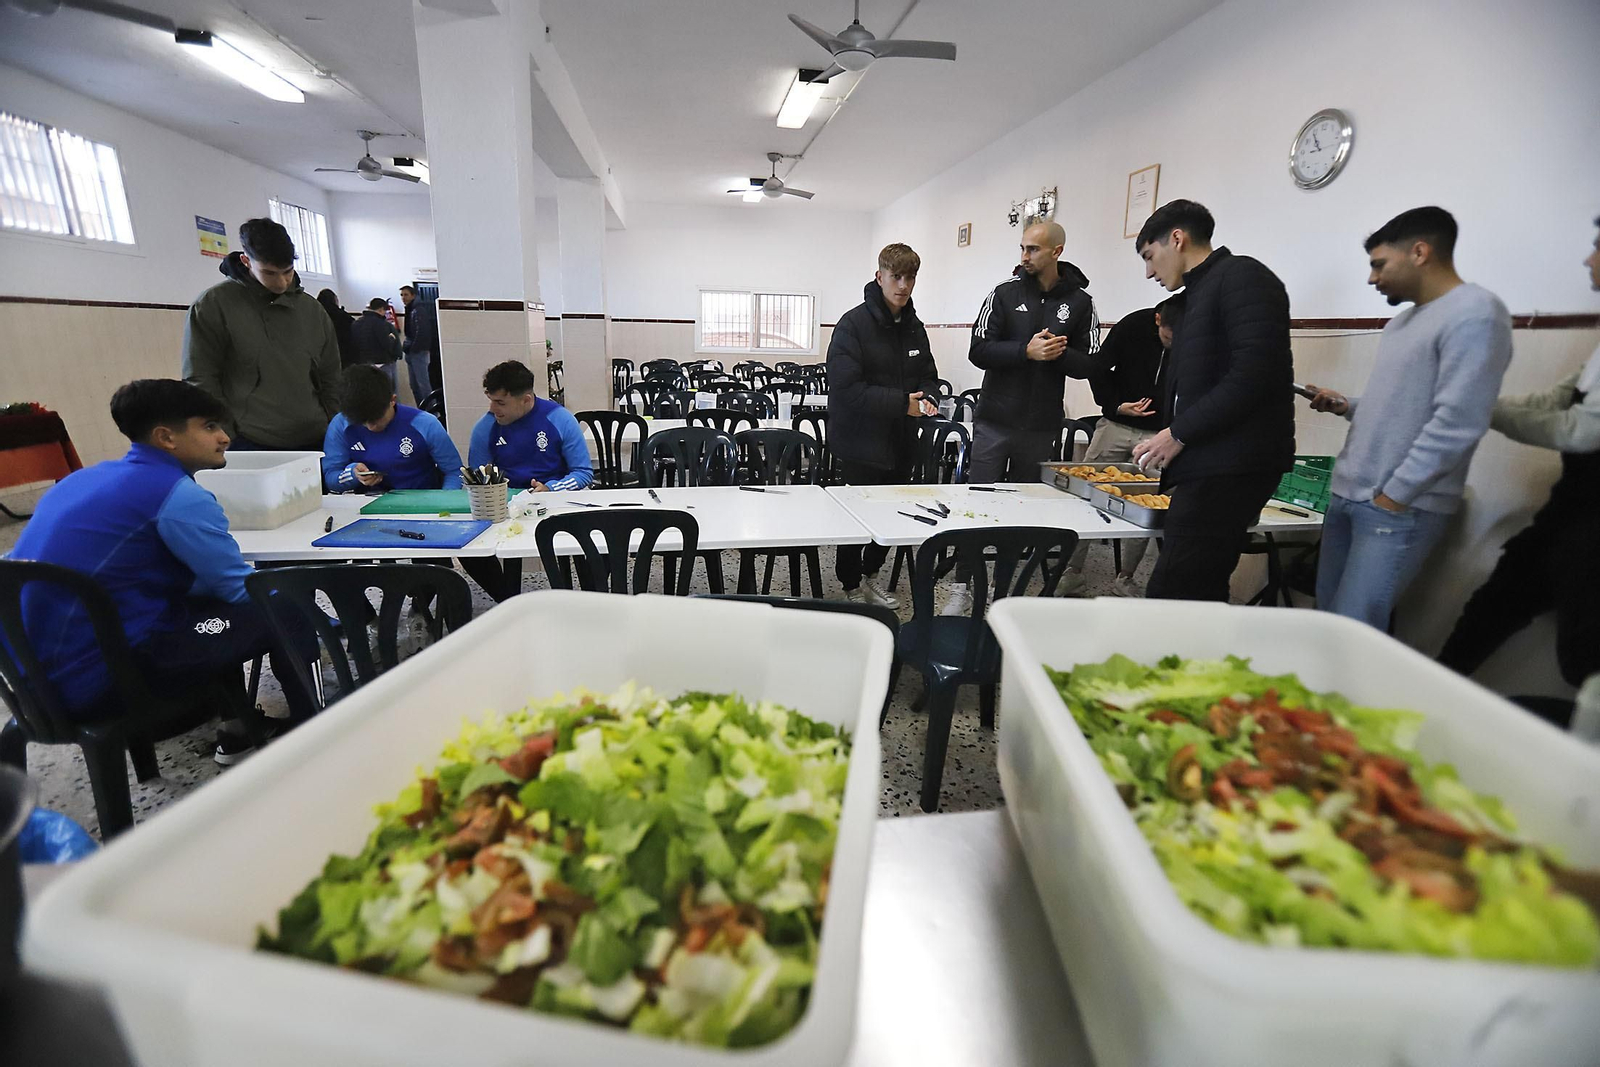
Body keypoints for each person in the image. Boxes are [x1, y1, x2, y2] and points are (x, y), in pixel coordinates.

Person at [6, 379, 317, 765]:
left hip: (33, 686)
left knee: (212, 610)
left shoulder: (84, 480)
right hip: (103, 684)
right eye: (208, 427)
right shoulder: (176, 494)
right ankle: (318, 733)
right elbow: (238, 589)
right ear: (166, 437)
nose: (224, 437)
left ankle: (238, 733)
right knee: (285, 607)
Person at [1305, 207, 1513, 630]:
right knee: (1326, 622)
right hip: (1349, 494)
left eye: (1379, 265)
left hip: (1397, 505)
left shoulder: (1475, 312)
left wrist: (1396, 494)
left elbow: (1459, 421)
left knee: (1354, 630)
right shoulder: (1402, 323)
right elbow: (1400, 407)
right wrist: (1347, 405)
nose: (1372, 278)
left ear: (1420, 252)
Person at [1437, 216, 1600, 688]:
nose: (1588, 258)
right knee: (1488, 611)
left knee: (1582, 659)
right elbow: (1554, 400)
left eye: (1596, 247)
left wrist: (1474, 409)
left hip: (1592, 533)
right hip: (1565, 515)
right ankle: (1437, 700)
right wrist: (1478, 403)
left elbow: (1580, 431)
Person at [1131, 199, 1295, 601]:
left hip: (1231, 467)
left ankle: (1176, 662)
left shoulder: (1242, 277)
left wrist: (1179, 432)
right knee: (1195, 586)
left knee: (1177, 591)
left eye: (1150, 257)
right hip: (1209, 464)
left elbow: (1255, 373)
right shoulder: (1198, 294)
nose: (1149, 271)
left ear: (1177, 238)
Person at [827, 242, 940, 608]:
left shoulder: (914, 327)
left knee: (887, 516)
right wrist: (900, 404)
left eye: (910, 278)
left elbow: (929, 374)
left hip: (901, 441)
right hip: (860, 443)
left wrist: (931, 396)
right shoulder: (852, 324)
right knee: (856, 518)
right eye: (896, 277)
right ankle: (849, 586)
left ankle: (872, 576)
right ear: (880, 276)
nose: (903, 285)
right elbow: (845, 389)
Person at [1060, 293, 1184, 596]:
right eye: (1170, 335)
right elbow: (1097, 367)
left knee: (1146, 504)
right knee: (1087, 495)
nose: (1175, 342)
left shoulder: (1192, 334)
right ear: (1158, 320)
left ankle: (1125, 577)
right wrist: (1116, 405)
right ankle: (1072, 571)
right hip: (1116, 426)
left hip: (1158, 435)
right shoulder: (1132, 326)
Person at [182, 218, 340, 451]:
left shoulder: (312, 310)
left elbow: (331, 375)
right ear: (246, 261)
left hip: (316, 437)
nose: (281, 282)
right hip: (250, 441)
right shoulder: (213, 305)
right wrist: (225, 431)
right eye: (270, 273)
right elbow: (200, 378)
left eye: (287, 272)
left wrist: (335, 425)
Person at [967, 220, 1099, 483]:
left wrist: (1058, 353)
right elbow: (978, 350)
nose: (1025, 257)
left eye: (1033, 249)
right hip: (994, 421)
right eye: (1022, 249)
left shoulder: (1081, 302)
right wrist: (1025, 351)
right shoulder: (1004, 293)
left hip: (1041, 427)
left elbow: (1091, 364)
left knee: (1026, 503)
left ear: (1056, 251)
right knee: (978, 496)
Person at [461, 361, 592, 601]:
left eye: (500, 402)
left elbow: (583, 473)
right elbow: (476, 480)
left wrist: (550, 488)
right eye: (490, 400)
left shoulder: (559, 419)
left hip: (555, 506)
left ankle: (583, 601)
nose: (493, 408)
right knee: (469, 548)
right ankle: (507, 600)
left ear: (527, 400)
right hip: (505, 510)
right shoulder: (485, 428)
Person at [321, 364, 463, 493]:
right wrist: (353, 474)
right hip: (366, 506)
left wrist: (444, 503)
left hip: (421, 503)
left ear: (392, 400)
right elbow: (331, 478)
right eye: (363, 422)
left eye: (377, 419)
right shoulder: (341, 425)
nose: (371, 427)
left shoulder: (425, 424)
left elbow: (455, 472)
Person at [350, 297, 403, 394]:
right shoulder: (381, 324)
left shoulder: (356, 323)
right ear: (381, 309)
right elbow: (387, 345)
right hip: (383, 362)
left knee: (372, 394)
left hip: (364, 364)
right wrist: (392, 338)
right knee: (390, 393)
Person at [399, 285, 438, 405]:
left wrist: (413, 348)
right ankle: (422, 410)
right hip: (412, 351)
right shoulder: (411, 309)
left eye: (406, 294)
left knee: (423, 385)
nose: (403, 298)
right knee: (414, 385)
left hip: (418, 352)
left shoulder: (418, 310)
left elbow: (422, 332)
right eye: (401, 295)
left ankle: (431, 412)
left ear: (413, 295)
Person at [316, 288, 358, 368]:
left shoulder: (315, 315)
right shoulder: (343, 316)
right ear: (334, 300)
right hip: (343, 354)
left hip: (321, 355)